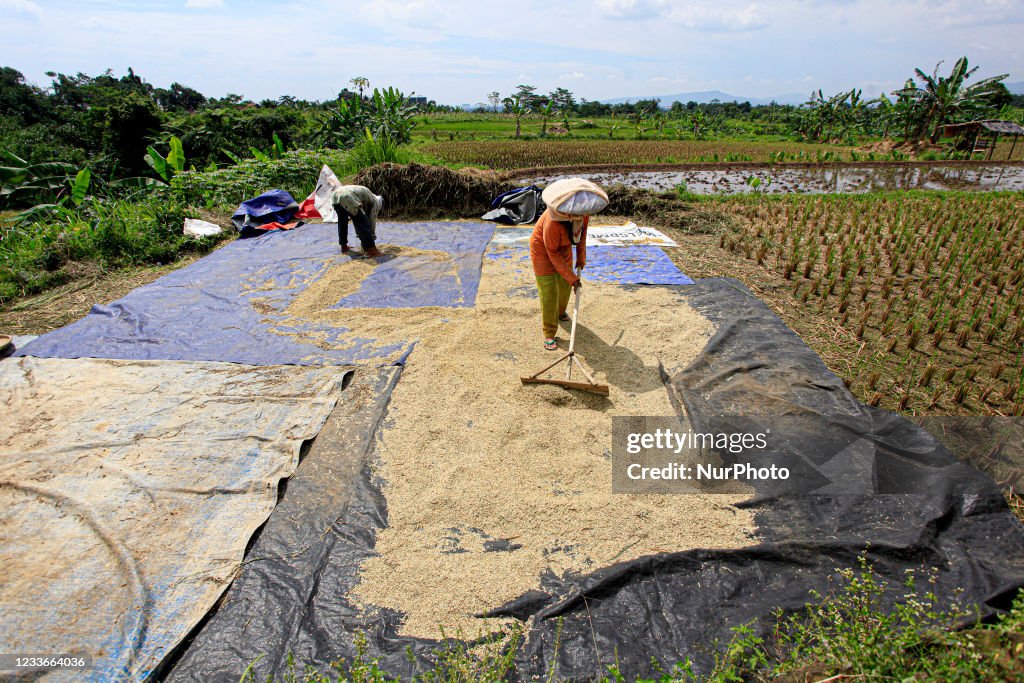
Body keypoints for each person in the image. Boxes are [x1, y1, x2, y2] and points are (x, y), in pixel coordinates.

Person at [529, 206, 589, 350]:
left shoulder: (583, 214)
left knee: (565, 285)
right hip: (543, 250)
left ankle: (561, 312)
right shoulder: (553, 222)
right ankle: (549, 333)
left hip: (564, 247)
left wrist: (581, 256)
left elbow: (582, 234)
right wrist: (572, 277)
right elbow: (553, 253)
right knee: (549, 292)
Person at [330, 185, 383, 257]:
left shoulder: (367, 197)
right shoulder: (376, 202)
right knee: (364, 223)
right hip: (347, 196)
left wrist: (362, 237)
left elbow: (356, 220)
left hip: (335, 196)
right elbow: (371, 222)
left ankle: (344, 246)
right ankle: (372, 251)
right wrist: (372, 237)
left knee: (342, 222)